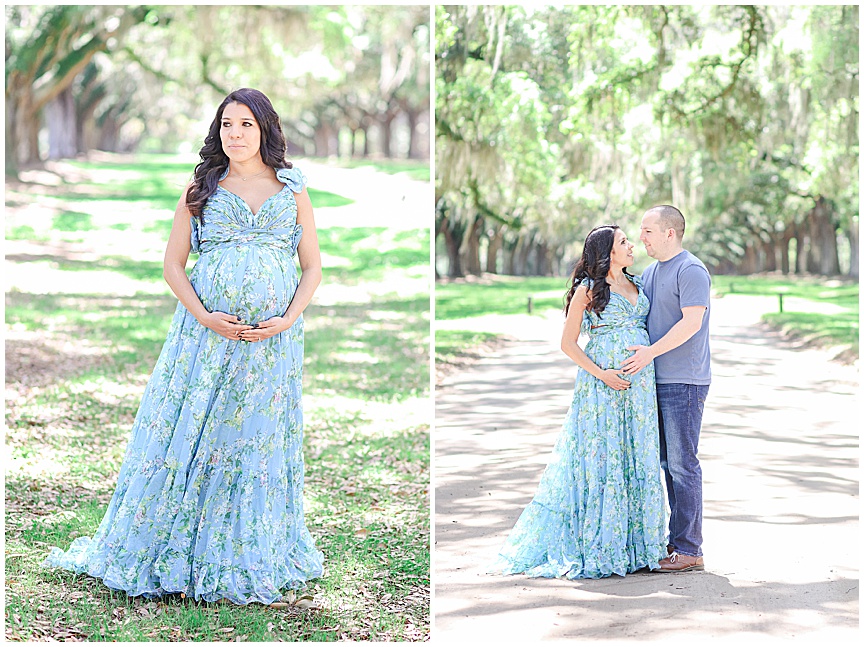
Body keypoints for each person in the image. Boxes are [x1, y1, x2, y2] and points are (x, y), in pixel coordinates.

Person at [43, 88, 325, 604]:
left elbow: (313, 266)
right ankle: (176, 544)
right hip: (205, 334)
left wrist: (287, 318)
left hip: (273, 343)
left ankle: (247, 548)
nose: (234, 135)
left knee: (253, 435)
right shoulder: (204, 186)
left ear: (265, 129)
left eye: (245, 125)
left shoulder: (292, 187)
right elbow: (173, 265)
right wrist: (206, 317)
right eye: (226, 125)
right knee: (198, 427)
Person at [491, 225, 667, 579]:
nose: (632, 245)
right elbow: (568, 343)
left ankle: (638, 547)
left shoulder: (640, 283)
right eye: (623, 242)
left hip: (641, 388)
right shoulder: (587, 290)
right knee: (605, 457)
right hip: (602, 387)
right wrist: (603, 374)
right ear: (607, 252)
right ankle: (604, 545)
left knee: (637, 454)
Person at [622, 205, 711, 573]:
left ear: (669, 233)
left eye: (647, 231)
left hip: (684, 381)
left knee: (682, 465)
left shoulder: (691, 270)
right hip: (654, 379)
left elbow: (691, 323)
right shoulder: (651, 272)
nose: (641, 237)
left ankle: (690, 549)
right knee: (665, 464)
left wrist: (648, 354)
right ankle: (676, 543)